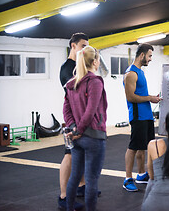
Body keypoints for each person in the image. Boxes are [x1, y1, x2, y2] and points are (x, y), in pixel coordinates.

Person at [63, 45, 107, 211]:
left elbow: (65, 110)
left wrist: (74, 129)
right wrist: (79, 130)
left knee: (75, 177)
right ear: (95, 62)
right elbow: (91, 111)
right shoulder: (95, 82)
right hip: (93, 137)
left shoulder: (71, 84)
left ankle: (69, 208)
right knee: (91, 180)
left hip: (77, 138)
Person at [123, 43, 162, 192]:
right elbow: (131, 97)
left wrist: (152, 98)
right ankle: (127, 179)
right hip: (137, 116)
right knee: (133, 147)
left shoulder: (140, 72)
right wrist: (150, 98)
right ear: (142, 55)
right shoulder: (131, 74)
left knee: (143, 147)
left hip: (146, 115)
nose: (150, 59)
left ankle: (141, 175)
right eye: (150, 56)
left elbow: (142, 94)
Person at [58, 33, 89, 210]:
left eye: (87, 46)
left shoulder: (78, 66)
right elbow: (75, 94)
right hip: (72, 118)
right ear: (73, 46)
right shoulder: (67, 68)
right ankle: (63, 196)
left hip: (81, 116)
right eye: (82, 46)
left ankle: (81, 186)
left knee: (81, 152)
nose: (85, 49)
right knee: (69, 155)